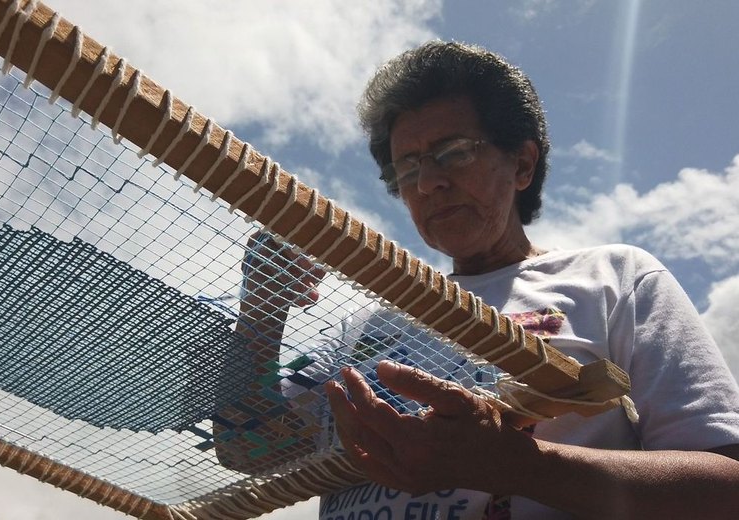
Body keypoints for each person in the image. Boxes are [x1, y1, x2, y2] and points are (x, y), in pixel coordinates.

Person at [230, 41, 739, 519]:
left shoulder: (616, 279)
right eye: (408, 167)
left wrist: (520, 465)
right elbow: (246, 447)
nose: (429, 183)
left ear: (522, 163)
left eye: (454, 152)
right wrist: (260, 310)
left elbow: (726, 488)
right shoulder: (363, 324)